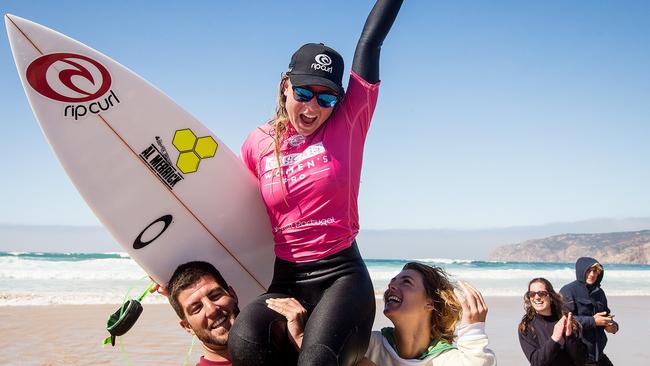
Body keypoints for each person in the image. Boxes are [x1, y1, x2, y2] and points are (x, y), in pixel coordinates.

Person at [229, 1, 403, 365]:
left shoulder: (349, 122)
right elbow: (229, 210)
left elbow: (369, 43)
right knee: (245, 341)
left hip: (342, 278)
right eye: (303, 93)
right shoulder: (257, 142)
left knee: (316, 361)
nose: (312, 108)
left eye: (326, 98)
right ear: (284, 87)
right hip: (286, 278)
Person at [163, 261, 307, 366]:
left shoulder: (289, 336)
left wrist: (303, 343)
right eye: (197, 308)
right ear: (187, 326)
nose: (212, 310)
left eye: (215, 296)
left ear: (233, 294)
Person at [358, 262, 496, 366]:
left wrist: (474, 332)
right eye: (392, 282)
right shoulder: (368, 344)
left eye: (406, 282)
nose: (391, 286)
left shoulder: (445, 359)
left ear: (430, 303)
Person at [560, 257, 619, 366]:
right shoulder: (568, 290)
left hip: (599, 355)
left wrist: (613, 327)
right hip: (578, 357)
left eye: (595, 271)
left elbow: (607, 316)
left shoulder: (599, 292)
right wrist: (593, 321)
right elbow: (563, 321)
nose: (592, 274)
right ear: (580, 271)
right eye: (588, 271)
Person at [518, 277, 586, 366]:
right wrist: (554, 339)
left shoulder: (566, 321)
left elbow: (581, 360)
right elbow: (536, 362)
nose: (537, 297)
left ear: (550, 296)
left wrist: (569, 337)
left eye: (541, 293)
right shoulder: (526, 326)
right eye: (532, 294)